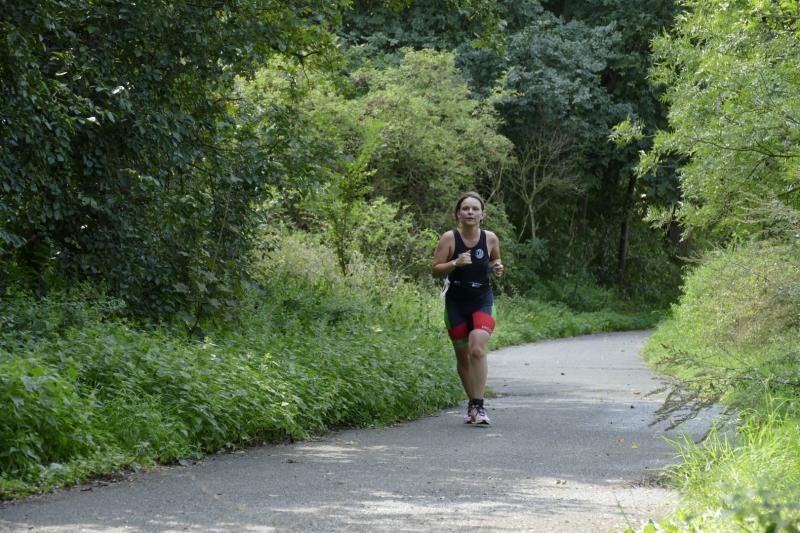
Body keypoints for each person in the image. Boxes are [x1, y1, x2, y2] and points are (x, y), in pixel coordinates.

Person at [432, 192, 503, 425]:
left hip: (482, 300)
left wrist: (497, 267)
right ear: (458, 214)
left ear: (482, 214)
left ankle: (479, 406)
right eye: (465, 208)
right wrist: (455, 262)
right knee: (463, 356)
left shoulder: (490, 238)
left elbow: (495, 260)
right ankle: (472, 403)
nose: (470, 212)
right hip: (456, 303)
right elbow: (435, 270)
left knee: (477, 349)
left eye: (475, 209)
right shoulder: (449, 238)